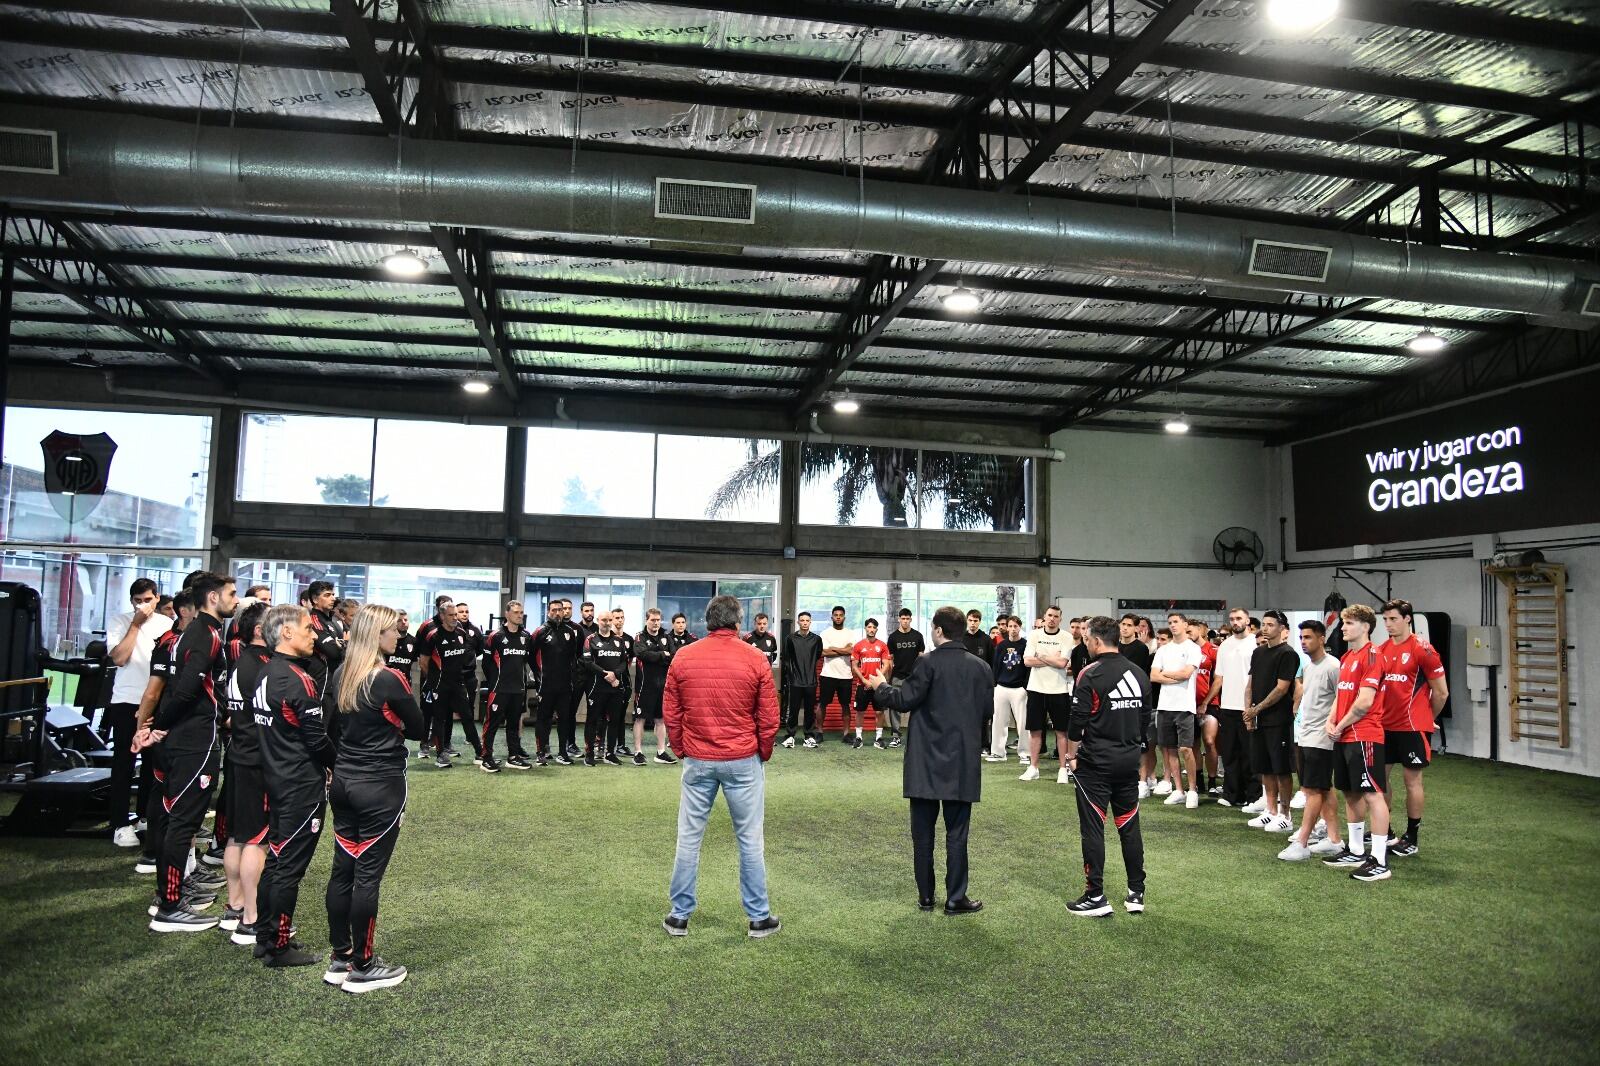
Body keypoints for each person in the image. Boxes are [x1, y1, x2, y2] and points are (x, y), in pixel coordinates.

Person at [662, 595, 780, 939]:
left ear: (707, 621)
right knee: (749, 840)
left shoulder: (683, 657)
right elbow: (768, 717)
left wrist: (682, 748)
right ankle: (759, 918)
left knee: (689, 838)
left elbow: (672, 712)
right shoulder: (756, 658)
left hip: (698, 760)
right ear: (738, 622)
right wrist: (763, 753)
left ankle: (679, 916)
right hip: (743, 760)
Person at [324, 604, 423, 993]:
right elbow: (417, 728)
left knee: (342, 870)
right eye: (393, 630)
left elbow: (330, 729)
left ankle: (341, 958)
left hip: (344, 783)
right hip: (379, 786)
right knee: (366, 876)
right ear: (377, 634)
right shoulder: (389, 679)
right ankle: (363, 966)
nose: (399, 634)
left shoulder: (340, 673)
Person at [866, 605, 989, 915]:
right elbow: (986, 713)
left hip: (925, 762)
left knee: (922, 836)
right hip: (962, 761)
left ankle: (925, 897)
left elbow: (904, 700)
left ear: (937, 631)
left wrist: (879, 685)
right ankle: (955, 898)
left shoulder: (927, 663)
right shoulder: (981, 668)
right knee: (957, 834)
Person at [145, 572, 237, 933]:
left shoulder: (203, 632)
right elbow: (183, 691)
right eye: (230, 594)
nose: (234, 599)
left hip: (192, 736)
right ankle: (169, 905)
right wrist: (157, 727)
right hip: (192, 741)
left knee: (179, 820)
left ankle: (173, 895)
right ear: (212, 598)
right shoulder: (204, 634)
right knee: (181, 822)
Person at [255, 603, 336, 965]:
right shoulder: (298, 679)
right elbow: (316, 740)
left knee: (275, 861)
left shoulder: (266, 672)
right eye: (308, 628)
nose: (314, 635)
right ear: (286, 632)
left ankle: (265, 936)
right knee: (288, 867)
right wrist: (338, 765)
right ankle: (277, 947)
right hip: (300, 784)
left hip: (277, 778)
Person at [1064, 616, 1149, 917]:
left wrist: (1071, 756)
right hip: (1128, 763)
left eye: (1087, 637)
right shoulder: (1139, 673)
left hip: (1096, 764)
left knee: (1093, 829)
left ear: (1097, 641)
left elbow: (1076, 723)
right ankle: (1136, 893)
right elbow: (1143, 721)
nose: (1085, 641)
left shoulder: (1089, 674)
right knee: (1128, 826)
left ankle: (1095, 896)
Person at [1324, 604, 1393, 882]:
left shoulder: (1373, 656)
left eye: (1349, 623)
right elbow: (1341, 696)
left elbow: (1364, 702)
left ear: (1365, 627)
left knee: (1372, 794)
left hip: (1364, 735)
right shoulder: (1348, 656)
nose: (1342, 628)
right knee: (1350, 792)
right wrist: (1331, 721)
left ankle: (1379, 860)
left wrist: (1339, 726)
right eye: (1343, 623)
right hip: (1344, 735)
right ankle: (1355, 850)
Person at [104, 577, 173, 846]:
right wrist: (135, 624)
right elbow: (119, 657)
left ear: (157, 599)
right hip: (126, 700)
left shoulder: (167, 625)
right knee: (124, 761)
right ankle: (120, 823)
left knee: (153, 763)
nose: (142, 605)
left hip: (156, 701)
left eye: (147, 600)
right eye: (137, 601)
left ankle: (145, 816)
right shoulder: (120, 621)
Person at [1378, 598, 1447, 858]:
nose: (1388, 624)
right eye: (1385, 620)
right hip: (1384, 726)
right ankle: (1386, 832)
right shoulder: (1382, 649)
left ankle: (1412, 837)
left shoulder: (1422, 649)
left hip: (1411, 727)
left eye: (1393, 619)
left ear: (1408, 618)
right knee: (1379, 780)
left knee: (1412, 782)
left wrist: (1427, 718)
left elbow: (1441, 692)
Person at [221, 602, 273, 946]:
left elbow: (229, 715)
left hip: (238, 754)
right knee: (257, 839)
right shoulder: (261, 666)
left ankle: (235, 905)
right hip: (256, 760)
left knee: (238, 835)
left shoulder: (242, 662)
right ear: (258, 630)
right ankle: (251, 919)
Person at [1278, 620, 1347, 862]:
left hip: (1322, 738)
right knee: (1319, 788)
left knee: (1313, 790)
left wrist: (1333, 726)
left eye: (1308, 637)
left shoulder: (1333, 666)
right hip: (1305, 735)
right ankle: (1335, 839)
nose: (1304, 642)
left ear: (1322, 638)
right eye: (1302, 638)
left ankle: (1302, 842)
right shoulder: (1309, 667)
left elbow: (1343, 699)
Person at [1244, 610, 1301, 833]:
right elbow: (1250, 684)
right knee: (1264, 767)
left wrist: (1256, 709)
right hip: (1259, 719)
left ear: (1281, 628)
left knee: (1281, 769)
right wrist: (1248, 711)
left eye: (1270, 624)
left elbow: (1282, 688)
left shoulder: (1288, 654)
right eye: (1264, 624)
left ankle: (1285, 815)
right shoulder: (1258, 653)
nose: (1265, 628)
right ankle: (1270, 810)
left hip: (1278, 720)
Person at [416, 596, 480, 769]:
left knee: (467, 716)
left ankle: (480, 753)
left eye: (455, 615)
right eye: (451, 615)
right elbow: (423, 662)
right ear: (443, 616)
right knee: (439, 719)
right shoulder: (433, 636)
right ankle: (441, 754)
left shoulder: (461, 633)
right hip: (439, 685)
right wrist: (435, 679)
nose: (455, 618)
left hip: (458, 684)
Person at [1208, 607, 1260, 809]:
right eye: (1232, 619)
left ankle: (1253, 795)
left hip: (1248, 707)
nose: (1235, 622)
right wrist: (1207, 702)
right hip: (1227, 706)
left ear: (1247, 621)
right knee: (1229, 753)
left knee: (1250, 754)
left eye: (1239, 618)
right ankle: (1232, 793)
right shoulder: (1225, 646)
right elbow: (1218, 677)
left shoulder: (1255, 644)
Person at [1150, 611, 1202, 809]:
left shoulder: (1193, 648)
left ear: (1184, 624)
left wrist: (1167, 673)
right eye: (1170, 622)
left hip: (1185, 707)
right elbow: (1154, 676)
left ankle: (1192, 790)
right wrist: (1174, 675)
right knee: (1168, 749)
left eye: (1176, 622)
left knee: (1186, 749)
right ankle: (1178, 790)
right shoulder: (1163, 650)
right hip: (1165, 706)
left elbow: (1187, 674)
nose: (1172, 625)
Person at [480, 601, 533, 772]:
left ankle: (513, 756)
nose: (519, 615)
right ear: (507, 614)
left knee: (513, 724)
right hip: (499, 689)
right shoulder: (495, 637)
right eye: (516, 612)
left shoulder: (526, 636)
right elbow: (486, 665)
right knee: (492, 724)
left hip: (518, 690)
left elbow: (525, 662)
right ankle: (486, 758)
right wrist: (496, 681)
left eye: (521, 612)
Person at [1021, 606, 1070, 783]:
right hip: (1036, 689)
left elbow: (1062, 663)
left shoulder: (1067, 637)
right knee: (1035, 730)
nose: (1052, 619)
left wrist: (1040, 655)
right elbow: (1027, 661)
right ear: (1044, 617)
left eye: (1056, 616)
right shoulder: (1034, 635)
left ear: (1060, 619)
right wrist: (1052, 658)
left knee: (1061, 731)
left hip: (1059, 690)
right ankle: (1033, 767)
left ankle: (1063, 770)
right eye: (1049, 615)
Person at [578, 609, 631, 766]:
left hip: (615, 687)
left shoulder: (618, 641)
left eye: (609, 620)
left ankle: (610, 753)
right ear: (598, 621)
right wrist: (605, 674)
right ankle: (589, 754)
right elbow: (587, 662)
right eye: (604, 620)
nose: (607, 623)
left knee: (614, 720)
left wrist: (614, 674)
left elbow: (624, 662)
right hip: (596, 687)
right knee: (593, 720)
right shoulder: (591, 639)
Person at [531, 600, 580, 765]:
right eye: (554, 610)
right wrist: (539, 676)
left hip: (565, 685)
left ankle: (562, 752)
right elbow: (530, 657)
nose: (558, 613)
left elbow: (575, 656)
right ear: (548, 611)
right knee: (543, 719)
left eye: (560, 610)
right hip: (546, 685)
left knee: (564, 719)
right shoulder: (540, 632)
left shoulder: (570, 632)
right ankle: (541, 752)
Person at [1117, 614, 1158, 797]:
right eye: (1122, 624)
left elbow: (1139, 676)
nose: (1124, 628)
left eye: (1128, 625)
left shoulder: (1141, 649)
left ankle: (1142, 781)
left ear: (1136, 628)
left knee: (1140, 742)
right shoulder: (1114, 646)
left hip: (1135, 700)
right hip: (1115, 699)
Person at [632, 608, 678, 765]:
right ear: (647, 620)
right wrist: (661, 654)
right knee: (640, 719)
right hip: (645, 685)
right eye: (653, 620)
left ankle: (661, 752)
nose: (656, 623)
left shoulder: (666, 636)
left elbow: (673, 656)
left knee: (661, 719)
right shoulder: (640, 637)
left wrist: (657, 655)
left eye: (658, 620)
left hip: (662, 686)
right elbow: (642, 654)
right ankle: (638, 752)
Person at [883, 608, 925, 750]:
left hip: (914, 677)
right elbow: (890, 660)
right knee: (895, 705)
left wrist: (919, 675)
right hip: (897, 676)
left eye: (907, 618)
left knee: (917, 705)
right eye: (903, 618)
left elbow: (921, 657)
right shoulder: (893, 637)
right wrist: (888, 678)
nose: (905, 621)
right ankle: (895, 736)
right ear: (899, 619)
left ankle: (917, 735)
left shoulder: (918, 636)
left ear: (910, 619)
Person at [988, 616, 1029, 762]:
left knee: (1022, 722)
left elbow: (1027, 667)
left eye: (1015, 626)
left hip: (1019, 689)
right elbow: (996, 666)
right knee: (998, 720)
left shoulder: (1026, 644)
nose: (1012, 629)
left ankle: (1025, 752)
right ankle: (998, 752)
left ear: (1020, 627)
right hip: (1001, 687)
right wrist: (995, 684)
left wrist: (1025, 687)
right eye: (1010, 626)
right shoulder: (1001, 645)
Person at [780, 611, 822, 749]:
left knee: (810, 710)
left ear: (810, 622)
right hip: (795, 681)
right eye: (802, 620)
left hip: (810, 681)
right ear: (798, 622)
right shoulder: (790, 638)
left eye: (807, 620)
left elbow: (818, 655)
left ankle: (808, 736)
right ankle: (790, 736)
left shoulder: (816, 639)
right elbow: (786, 658)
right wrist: (792, 675)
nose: (804, 622)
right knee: (793, 710)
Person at [1188, 619, 1221, 794]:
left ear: (1201, 631)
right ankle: (1198, 780)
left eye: (1190, 631)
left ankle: (1213, 782)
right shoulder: (1184, 651)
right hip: (1188, 705)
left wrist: (1206, 702)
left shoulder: (1212, 651)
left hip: (1209, 705)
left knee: (1209, 741)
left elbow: (1218, 679)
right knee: (1192, 744)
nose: (1187, 634)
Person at [851, 618, 890, 749]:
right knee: (860, 712)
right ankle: (858, 737)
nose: (871, 629)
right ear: (865, 628)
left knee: (879, 712)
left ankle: (878, 738)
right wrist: (864, 680)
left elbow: (886, 664)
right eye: (869, 627)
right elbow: (855, 665)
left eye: (873, 627)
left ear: (876, 629)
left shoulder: (882, 645)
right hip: (863, 684)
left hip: (878, 686)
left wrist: (877, 679)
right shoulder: (858, 646)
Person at [819, 606, 855, 743]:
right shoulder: (825, 633)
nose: (838, 617)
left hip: (845, 675)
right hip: (828, 674)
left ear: (844, 617)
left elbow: (851, 650)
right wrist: (843, 649)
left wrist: (833, 648)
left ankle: (846, 734)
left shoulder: (850, 633)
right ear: (832, 617)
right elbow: (823, 653)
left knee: (845, 705)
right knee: (823, 704)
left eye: (840, 615)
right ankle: (820, 732)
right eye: (836, 615)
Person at [304, 580, 345, 693]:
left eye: (333, 595)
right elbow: (333, 652)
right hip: (323, 682)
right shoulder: (314, 620)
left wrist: (341, 645)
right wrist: (343, 645)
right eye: (327, 595)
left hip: (335, 681)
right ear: (315, 599)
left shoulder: (334, 621)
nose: (333, 598)